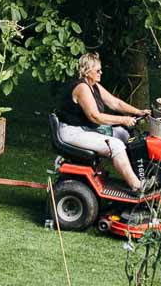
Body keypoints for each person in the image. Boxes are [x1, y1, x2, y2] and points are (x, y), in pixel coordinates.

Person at [59, 52, 148, 193]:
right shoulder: (82, 88)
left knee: (125, 135)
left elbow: (115, 103)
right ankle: (137, 187)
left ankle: (142, 175)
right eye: (98, 70)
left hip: (85, 129)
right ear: (87, 71)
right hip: (73, 131)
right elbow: (95, 117)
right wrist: (124, 119)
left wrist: (139, 112)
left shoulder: (94, 85)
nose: (101, 72)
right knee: (116, 145)